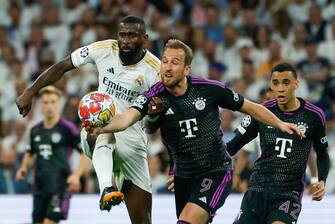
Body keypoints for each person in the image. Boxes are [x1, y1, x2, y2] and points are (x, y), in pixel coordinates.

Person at [86, 39, 304, 224]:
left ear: (186, 69)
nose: (167, 67)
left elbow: (251, 107)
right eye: (164, 61)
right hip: (183, 176)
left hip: (215, 171)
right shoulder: (155, 95)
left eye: (174, 62)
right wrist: (100, 126)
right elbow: (126, 119)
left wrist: (281, 124)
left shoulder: (209, 89)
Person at [16, 16, 160, 223]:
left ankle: (110, 188)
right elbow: (64, 65)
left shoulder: (154, 70)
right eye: (122, 35)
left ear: (144, 38)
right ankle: (106, 189)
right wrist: (31, 91)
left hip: (133, 143)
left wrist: (154, 114)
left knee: (143, 220)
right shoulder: (103, 49)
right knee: (101, 130)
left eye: (132, 35)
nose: (126, 40)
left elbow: (154, 125)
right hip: (97, 129)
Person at [227, 63, 330, 224]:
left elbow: (322, 153)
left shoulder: (314, 115)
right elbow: (233, 146)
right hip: (257, 189)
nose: (280, 88)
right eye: (275, 83)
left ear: (296, 84)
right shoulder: (261, 111)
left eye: (286, 83)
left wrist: (321, 180)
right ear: (271, 85)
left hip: (288, 194)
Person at [16, 86, 87, 224]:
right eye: (46, 102)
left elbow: (86, 153)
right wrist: (23, 168)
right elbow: (30, 152)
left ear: (59, 103)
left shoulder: (67, 128)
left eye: (53, 102)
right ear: (40, 104)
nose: (50, 106)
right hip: (39, 185)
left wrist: (77, 175)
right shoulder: (35, 130)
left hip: (60, 186)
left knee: (50, 222)